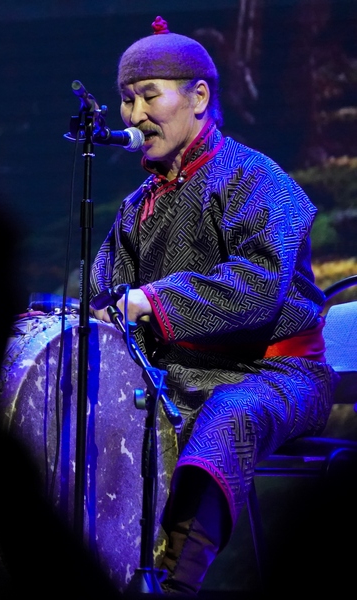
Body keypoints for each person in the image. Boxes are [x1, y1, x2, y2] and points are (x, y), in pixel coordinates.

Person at [90, 17, 338, 596]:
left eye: (149, 96)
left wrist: (152, 300)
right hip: (180, 375)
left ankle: (175, 584)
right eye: (127, 99)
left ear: (199, 97)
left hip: (275, 373)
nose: (134, 115)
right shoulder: (136, 208)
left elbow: (258, 285)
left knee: (229, 412)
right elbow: (107, 297)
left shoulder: (258, 178)